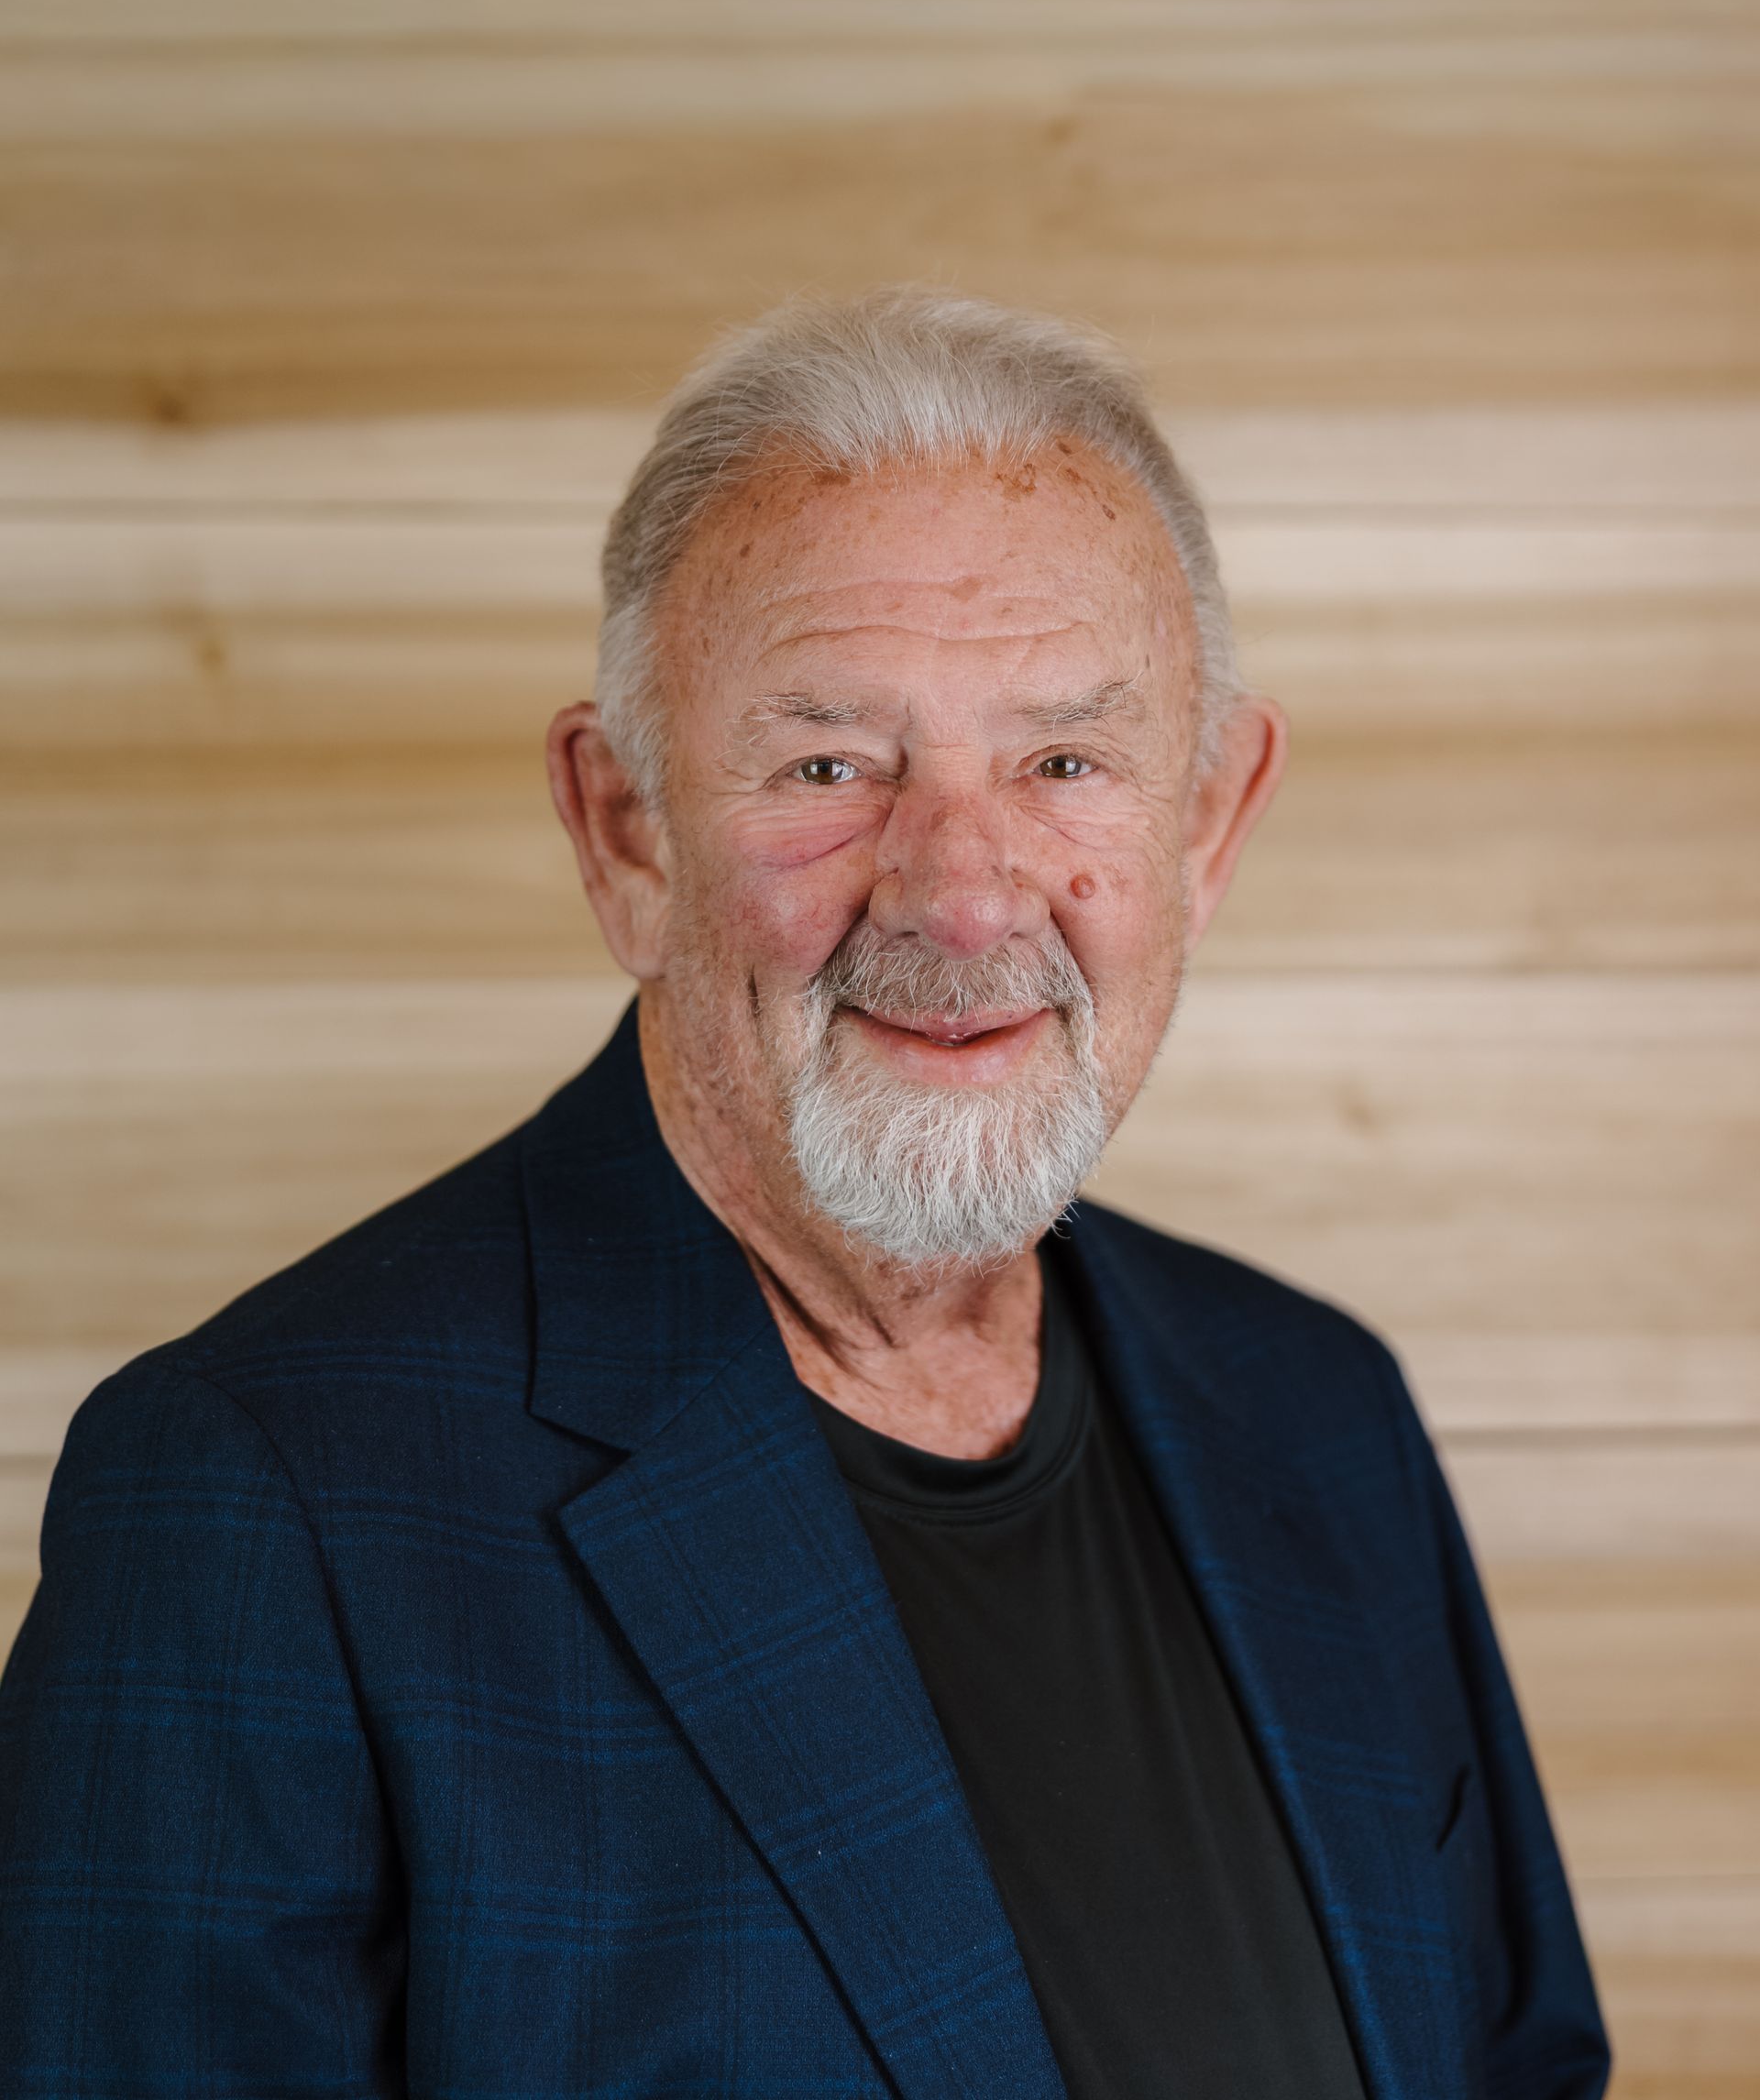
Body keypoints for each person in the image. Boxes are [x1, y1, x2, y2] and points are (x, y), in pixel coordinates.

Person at [0, 289, 1609, 2098]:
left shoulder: (1320, 1409)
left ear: (1207, 822)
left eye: (1064, 762)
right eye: (830, 765)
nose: (964, 897)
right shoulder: (261, 1503)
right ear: (626, 831)